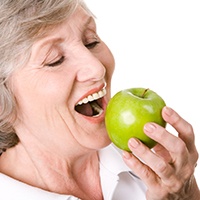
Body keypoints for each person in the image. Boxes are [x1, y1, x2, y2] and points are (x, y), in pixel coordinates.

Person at [0, 0, 199, 199]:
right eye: (55, 60)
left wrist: (186, 195)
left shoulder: (158, 171)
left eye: (91, 41)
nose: (97, 68)